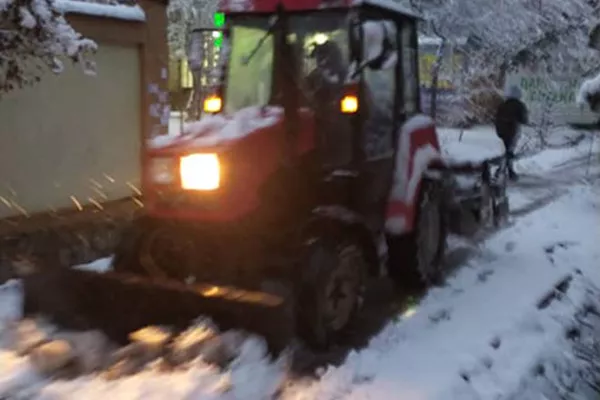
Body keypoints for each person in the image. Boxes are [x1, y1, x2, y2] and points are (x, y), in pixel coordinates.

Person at [494, 85, 528, 181]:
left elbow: (496, 117)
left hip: (501, 131)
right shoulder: (519, 105)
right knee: (509, 151)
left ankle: (503, 170)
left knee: (505, 151)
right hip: (513, 130)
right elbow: (524, 119)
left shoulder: (503, 105)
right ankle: (507, 171)